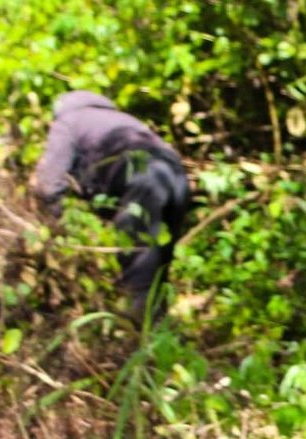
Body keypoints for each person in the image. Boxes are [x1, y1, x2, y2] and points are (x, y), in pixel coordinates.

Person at [30, 91, 191, 320]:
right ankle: (161, 337)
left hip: (143, 176)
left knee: (137, 267)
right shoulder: (121, 121)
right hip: (176, 174)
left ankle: (135, 339)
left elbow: (48, 185)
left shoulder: (69, 121)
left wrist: (62, 231)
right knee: (157, 268)